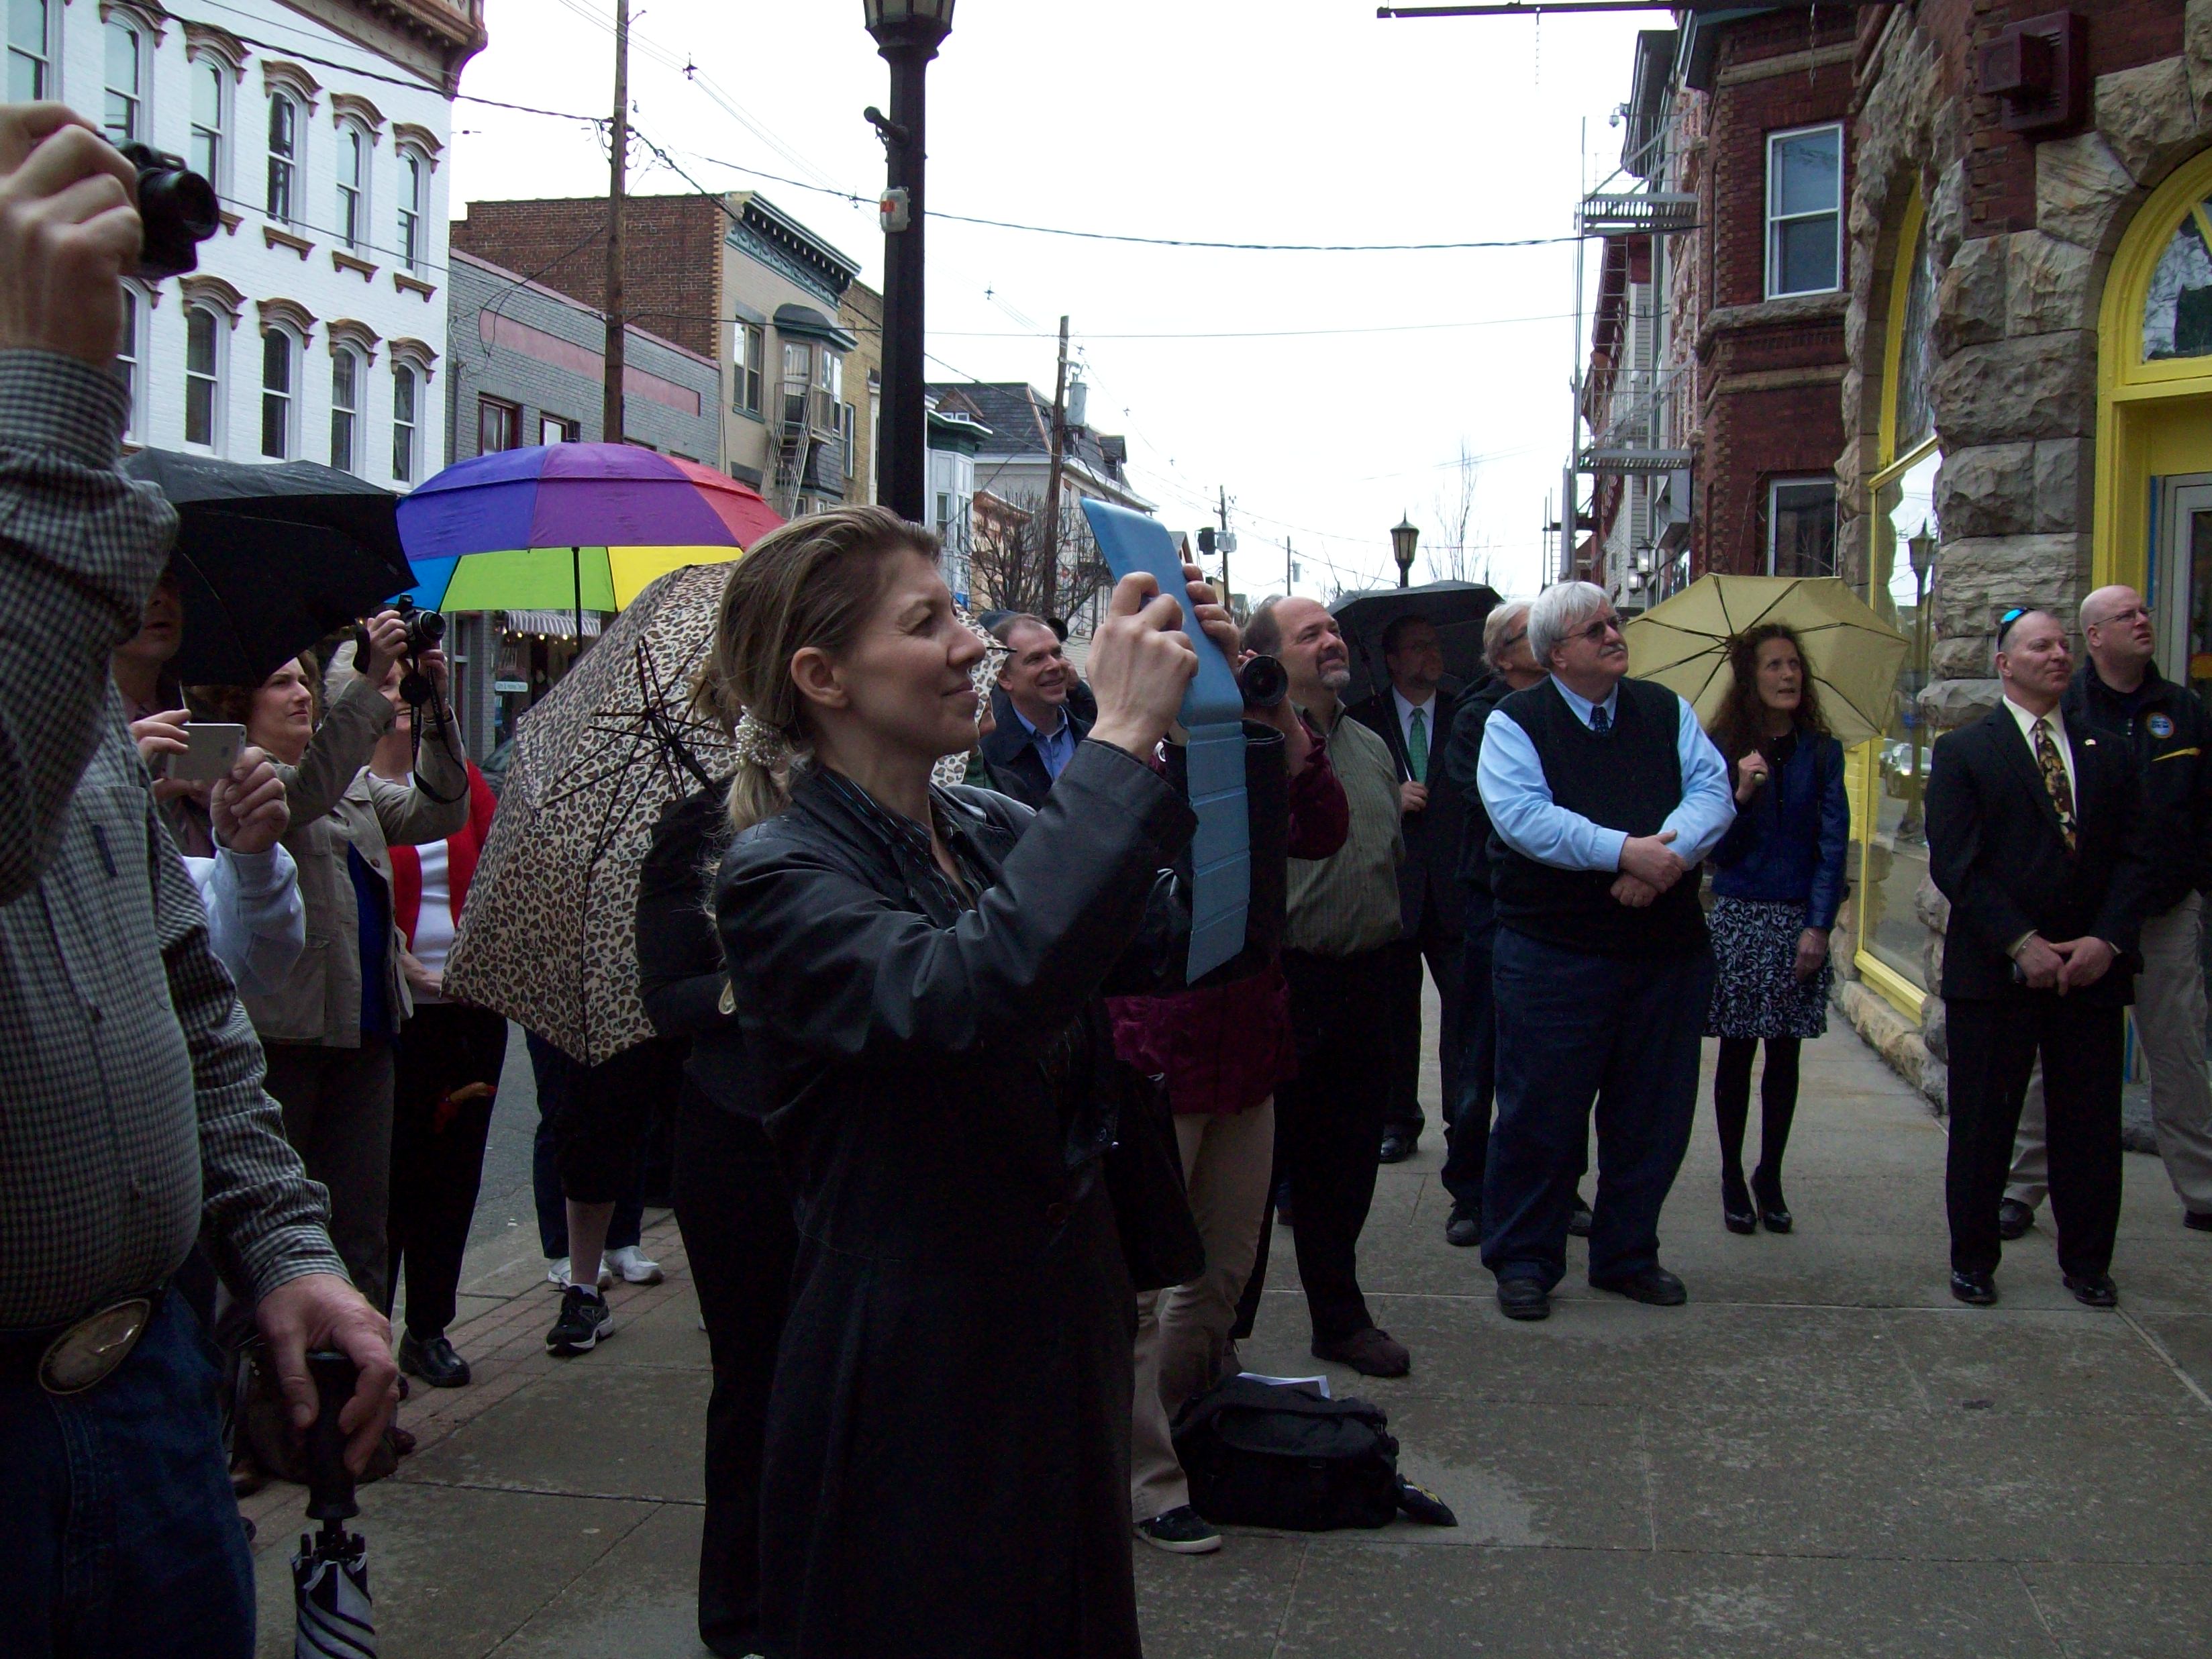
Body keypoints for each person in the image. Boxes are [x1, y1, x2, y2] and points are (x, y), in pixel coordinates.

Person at [0, 100, 393, 1656]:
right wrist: (49, 402)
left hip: (146, 1402)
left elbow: (186, 1000)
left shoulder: (55, 667)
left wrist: (284, 1249)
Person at [712, 505, 1222, 1657]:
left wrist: (1216, 726)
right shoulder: (778, 874)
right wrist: (1115, 742)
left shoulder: (984, 818)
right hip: (920, 1363)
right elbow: (970, 996)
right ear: (823, 676)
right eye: (928, 619)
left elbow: (1179, 940)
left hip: (1053, 1319)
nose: (969, 642)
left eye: (957, 611)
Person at [1110, 681, 1349, 1556]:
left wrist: (1272, 715)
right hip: (1152, 1051)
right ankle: (1146, 1479)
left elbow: (1323, 828)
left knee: (1224, 1270)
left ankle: (1181, 1429)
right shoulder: (1127, 749)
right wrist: (1161, 728)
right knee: (1140, 1286)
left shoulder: (1253, 752)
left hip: (1248, 1045)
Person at [192, 619, 469, 1314]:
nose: (300, 696)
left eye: (304, 681)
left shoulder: (345, 783)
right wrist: (372, 678)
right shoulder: (230, 775)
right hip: (279, 1041)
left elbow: (439, 812)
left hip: (364, 1033)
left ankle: (356, 1397)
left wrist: (432, 708)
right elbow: (302, 795)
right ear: (238, 704)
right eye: (279, 684)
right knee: (269, 1236)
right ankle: (260, 1403)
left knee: (359, 1232)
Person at [1476, 582, 1734, 1322]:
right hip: (1554, 957)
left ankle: (1627, 1254)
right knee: (1539, 1113)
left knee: (1651, 1115)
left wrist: (1665, 862)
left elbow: (1710, 795)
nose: (1613, 635)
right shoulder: (1513, 723)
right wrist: (1621, 852)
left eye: (1613, 623)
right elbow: (1524, 818)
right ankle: (1524, 1257)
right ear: (1555, 653)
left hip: (1663, 955)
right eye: (1595, 629)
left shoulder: (1665, 710)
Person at [1926, 606, 2154, 1308]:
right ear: (2003, 663)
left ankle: (2086, 1262)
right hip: (1996, 971)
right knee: (1982, 1124)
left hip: (2087, 972)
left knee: (2087, 1125)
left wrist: (2105, 941)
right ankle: (1972, 1259)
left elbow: (2134, 857)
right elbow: (1956, 863)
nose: (2057, 655)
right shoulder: (1966, 751)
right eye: (2038, 646)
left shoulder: (2107, 750)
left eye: (2062, 644)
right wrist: (2019, 943)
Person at [636, 751, 797, 1657]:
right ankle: (740, 1612)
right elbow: (668, 997)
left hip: (856, 1131)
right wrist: (752, 988)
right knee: (757, 1381)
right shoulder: (698, 827)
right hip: (738, 1138)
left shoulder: (895, 811)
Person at [1234, 595, 1413, 1378]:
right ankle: (1219, 1337)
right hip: (1284, 980)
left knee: (1344, 1165)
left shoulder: (1373, 744)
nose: (1331, 640)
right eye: (1311, 634)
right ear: (1269, 656)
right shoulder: (1242, 746)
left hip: (1371, 978)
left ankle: (1337, 1319)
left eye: (1333, 629)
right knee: (1249, 1171)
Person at [2001, 585, 2212, 1239]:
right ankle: (2021, 1187)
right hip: (2079, 920)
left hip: (2163, 912)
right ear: (2095, 637)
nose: (2142, 621)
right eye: (2125, 616)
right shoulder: (2064, 711)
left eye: (2144, 610)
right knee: (2046, 1060)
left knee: (2176, 1051)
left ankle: (2202, 1188)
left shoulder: (2182, 711)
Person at [344, 652, 507, 1390]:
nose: (403, 703)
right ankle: (366, 1329)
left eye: (413, 691)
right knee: (386, 1183)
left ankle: (430, 1327)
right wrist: (404, 962)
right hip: (400, 1010)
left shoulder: (461, 784)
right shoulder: (347, 798)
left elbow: (504, 873)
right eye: (388, 689)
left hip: (469, 1007)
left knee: (453, 1177)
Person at [1701, 625, 1849, 1234]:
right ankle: (1733, 1175)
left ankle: (1771, 1174)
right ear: (1750, 677)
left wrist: (1819, 927)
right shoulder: (1724, 748)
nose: (1789, 676)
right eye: (1774, 666)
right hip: (1738, 915)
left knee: (1785, 1056)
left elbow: (1832, 846)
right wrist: (1740, 792)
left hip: (1797, 920)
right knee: (1737, 1054)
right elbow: (1714, 850)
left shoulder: (1822, 751)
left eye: (1794, 665)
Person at [1436, 599, 1546, 1247]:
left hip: (1561, 909)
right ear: (1504, 654)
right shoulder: (1478, 717)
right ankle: (1470, 1191)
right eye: (1534, 633)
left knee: (1553, 1061)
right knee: (1481, 1051)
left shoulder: (1574, 706)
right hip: (1494, 903)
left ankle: (1556, 1182)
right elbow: (1499, 806)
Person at [1348, 613, 1466, 1165]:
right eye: (1417, 648)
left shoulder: (1469, 715)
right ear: (1391, 660)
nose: (1430, 654)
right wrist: (1387, 798)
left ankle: (1464, 1124)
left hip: (1456, 886)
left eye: (1434, 644)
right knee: (1395, 1015)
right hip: (1394, 886)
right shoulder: (1363, 721)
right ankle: (1397, 1120)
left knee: (1465, 1017)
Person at [977, 611, 1092, 807]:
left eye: (1057, 653)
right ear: (1004, 678)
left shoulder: (1094, 740)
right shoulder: (987, 755)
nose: (1054, 665)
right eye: (1036, 659)